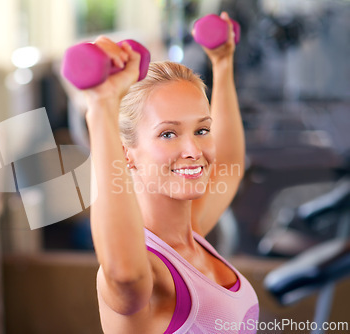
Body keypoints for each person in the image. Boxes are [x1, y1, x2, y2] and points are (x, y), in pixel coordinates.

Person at [82, 12, 259, 334]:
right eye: (168, 134)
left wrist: (222, 62)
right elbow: (124, 273)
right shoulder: (151, 268)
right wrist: (101, 107)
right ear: (125, 154)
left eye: (202, 130)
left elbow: (229, 163)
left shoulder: (192, 231)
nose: (193, 150)